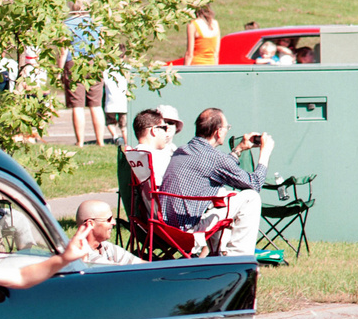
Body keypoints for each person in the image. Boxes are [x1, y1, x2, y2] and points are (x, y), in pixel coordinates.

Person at [158, 107, 267, 256]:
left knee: (221, 196)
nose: (227, 130)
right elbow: (255, 184)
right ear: (218, 131)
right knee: (250, 198)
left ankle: (217, 254)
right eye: (226, 127)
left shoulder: (182, 150)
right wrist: (265, 154)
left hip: (165, 227)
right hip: (187, 230)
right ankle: (238, 257)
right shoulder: (214, 158)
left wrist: (239, 149)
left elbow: (216, 165)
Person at [58, 0, 107, 145]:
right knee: (96, 105)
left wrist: (59, 71)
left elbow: (63, 50)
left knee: (77, 105)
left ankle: (80, 142)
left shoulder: (66, 24)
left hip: (74, 63)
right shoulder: (96, 23)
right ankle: (100, 141)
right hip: (94, 62)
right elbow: (101, 46)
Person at [75, 198, 140, 265]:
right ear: (90, 224)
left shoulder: (105, 246)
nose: (114, 223)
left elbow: (142, 265)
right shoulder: (80, 253)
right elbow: (115, 270)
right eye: (109, 219)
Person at [129, 107, 175, 185]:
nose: (166, 134)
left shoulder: (131, 155)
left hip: (140, 197)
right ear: (154, 130)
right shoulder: (159, 157)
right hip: (161, 196)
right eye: (165, 128)